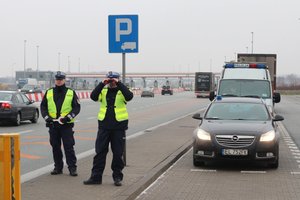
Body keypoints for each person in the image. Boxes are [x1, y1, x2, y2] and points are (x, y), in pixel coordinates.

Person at [83, 71, 133, 186]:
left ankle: (117, 177)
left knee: (117, 153)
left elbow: (129, 97)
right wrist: (102, 84)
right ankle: (96, 177)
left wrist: (119, 83)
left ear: (117, 79)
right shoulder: (103, 90)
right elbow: (93, 96)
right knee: (100, 152)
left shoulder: (122, 90)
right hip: (104, 126)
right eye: (109, 79)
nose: (111, 82)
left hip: (119, 127)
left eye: (113, 79)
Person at [40, 71, 81, 176]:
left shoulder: (71, 92)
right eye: (57, 80)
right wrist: (46, 117)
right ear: (55, 80)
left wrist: (68, 117)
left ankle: (72, 168)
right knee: (55, 147)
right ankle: (58, 168)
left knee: (69, 147)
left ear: (64, 80)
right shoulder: (49, 92)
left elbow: (76, 108)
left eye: (61, 79)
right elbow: (43, 107)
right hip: (53, 125)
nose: (59, 81)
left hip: (66, 125)